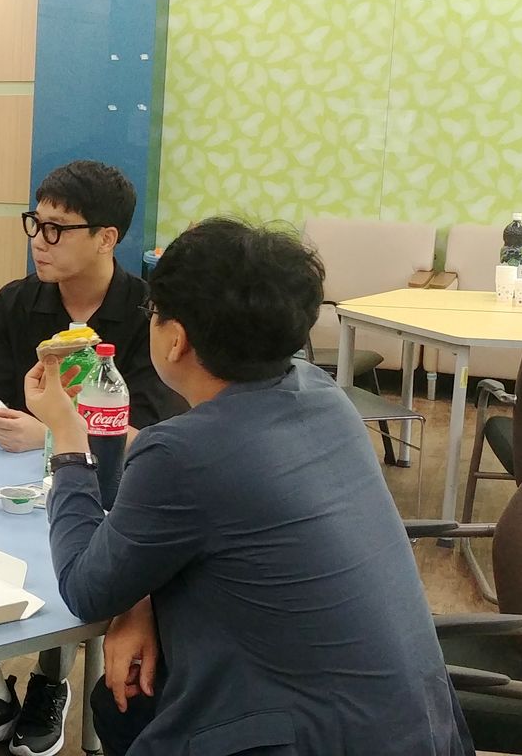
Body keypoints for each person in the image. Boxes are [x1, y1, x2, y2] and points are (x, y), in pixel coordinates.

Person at [26, 218, 471, 755]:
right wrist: (138, 600)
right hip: (418, 725)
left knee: (126, 705)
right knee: (122, 706)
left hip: (312, 737)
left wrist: (68, 436)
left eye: (154, 312)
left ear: (175, 339)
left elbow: (85, 589)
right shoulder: (321, 393)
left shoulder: (182, 452)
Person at [0, 161, 185, 756]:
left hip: (112, 486)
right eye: (36, 224)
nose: (39, 242)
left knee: (77, 561)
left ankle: (52, 680)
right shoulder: (15, 303)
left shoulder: (147, 313)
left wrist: (51, 434)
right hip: (10, 483)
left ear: (106, 237)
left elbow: (149, 432)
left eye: (57, 229)